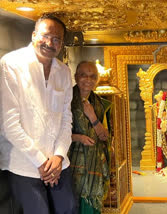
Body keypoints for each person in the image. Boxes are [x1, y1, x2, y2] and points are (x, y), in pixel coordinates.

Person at [0, 14, 76, 213]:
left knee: (68, 209)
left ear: (61, 44)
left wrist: (58, 157)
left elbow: (66, 119)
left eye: (57, 39)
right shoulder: (11, 64)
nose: (50, 43)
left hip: (58, 164)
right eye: (45, 35)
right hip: (24, 164)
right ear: (34, 35)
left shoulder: (64, 72)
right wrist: (41, 161)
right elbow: (9, 124)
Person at [68, 61, 112, 214]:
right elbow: (52, 132)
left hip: (95, 164)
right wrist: (78, 137)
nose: (88, 80)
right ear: (75, 77)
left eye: (93, 76)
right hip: (70, 162)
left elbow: (105, 136)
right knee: (71, 202)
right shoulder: (65, 100)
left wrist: (92, 116)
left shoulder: (100, 104)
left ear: (97, 80)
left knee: (91, 205)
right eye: (83, 75)